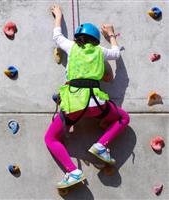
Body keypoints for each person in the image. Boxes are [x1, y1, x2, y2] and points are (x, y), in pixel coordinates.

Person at [45, 4, 130, 189]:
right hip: (96, 103)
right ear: (95, 40)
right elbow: (116, 54)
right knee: (123, 117)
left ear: (78, 38)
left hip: (74, 105)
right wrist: (111, 35)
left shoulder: (71, 47)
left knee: (50, 138)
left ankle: (72, 172)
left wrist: (58, 15)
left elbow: (57, 36)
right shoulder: (100, 51)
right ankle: (101, 145)